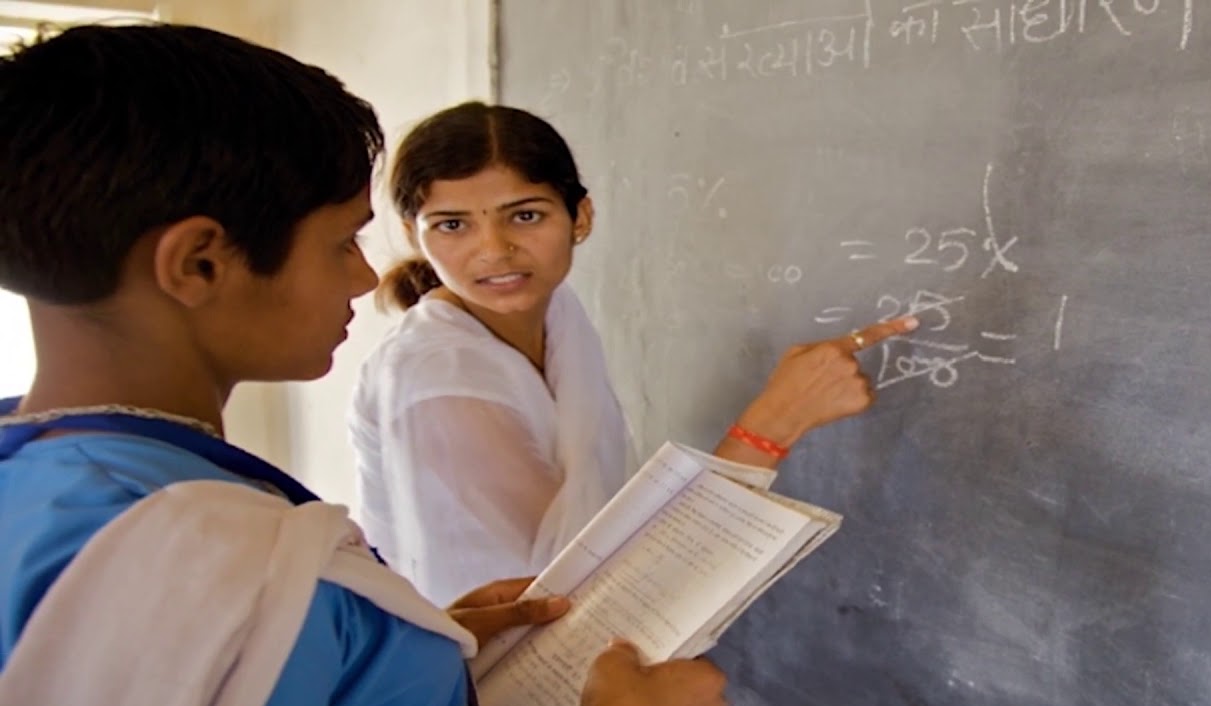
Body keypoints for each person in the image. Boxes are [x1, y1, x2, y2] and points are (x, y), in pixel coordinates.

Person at [0, 24, 729, 706]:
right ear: (200, 264)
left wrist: (407, 653)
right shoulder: (200, 568)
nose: (365, 276)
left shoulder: (61, 485)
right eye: (341, 241)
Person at [349, 101, 918, 606]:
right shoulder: (439, 378)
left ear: (581, 218)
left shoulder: (557, 313)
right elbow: (552, 605)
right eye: (452, 225)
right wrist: (773, 424)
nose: (494, 250)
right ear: (414, 234)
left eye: (525, 215)